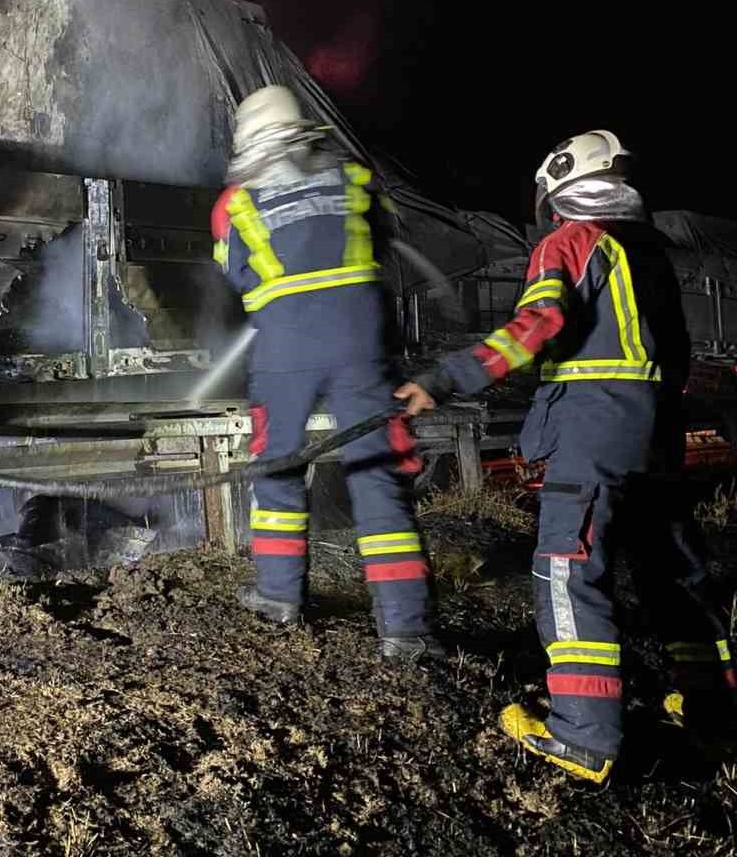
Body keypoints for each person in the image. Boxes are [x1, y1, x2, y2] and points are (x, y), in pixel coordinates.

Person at [396, 129, 734, 782]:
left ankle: (582, 734)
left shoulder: (570, 240)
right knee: (674, 574)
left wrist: (443, 380)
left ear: (555, 190)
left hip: (595, 430)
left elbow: (536, 326)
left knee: (566, 569)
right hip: (655, 431)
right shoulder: (651, 253)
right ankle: (713, 705)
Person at [212, 85, 442, 660]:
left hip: (285, 346)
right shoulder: (357, 181)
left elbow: (237, 274)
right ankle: (404, 631)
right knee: (378, 478)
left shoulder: (233, 203)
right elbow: (388, 248)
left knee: (279, 467)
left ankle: (278, 597)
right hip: (359, 340)